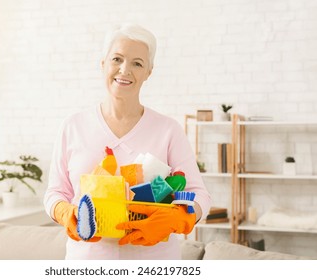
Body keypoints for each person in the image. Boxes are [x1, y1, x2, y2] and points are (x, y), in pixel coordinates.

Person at [44, 23, 211, 260]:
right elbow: (55, 192)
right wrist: (63, 211)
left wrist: (180, 217)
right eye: (117, 59)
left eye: (137, 63)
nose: (124, 70)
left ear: (148, 72)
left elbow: (200, 194)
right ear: (103, 64)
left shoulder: (168, 130)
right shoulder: (73, 126)